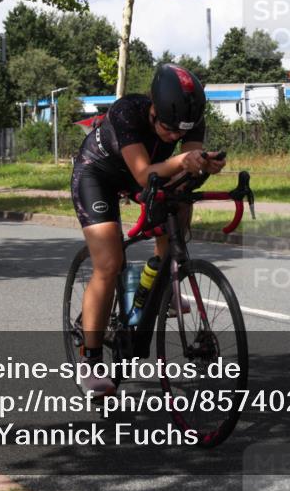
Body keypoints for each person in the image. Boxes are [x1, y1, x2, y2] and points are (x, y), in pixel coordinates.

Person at [70, 64, 226, 394]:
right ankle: (90, 359)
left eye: (180, 132)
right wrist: (185, 162)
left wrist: (203, 167)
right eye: (168, 129)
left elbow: (185, 169)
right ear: (153, 109)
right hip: (98, 174)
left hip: (151, 174)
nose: (174, 136)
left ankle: (162, 279)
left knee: (181, 201)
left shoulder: (189, 118)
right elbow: (143, 174)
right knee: (109, 263)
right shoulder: (127, 111)